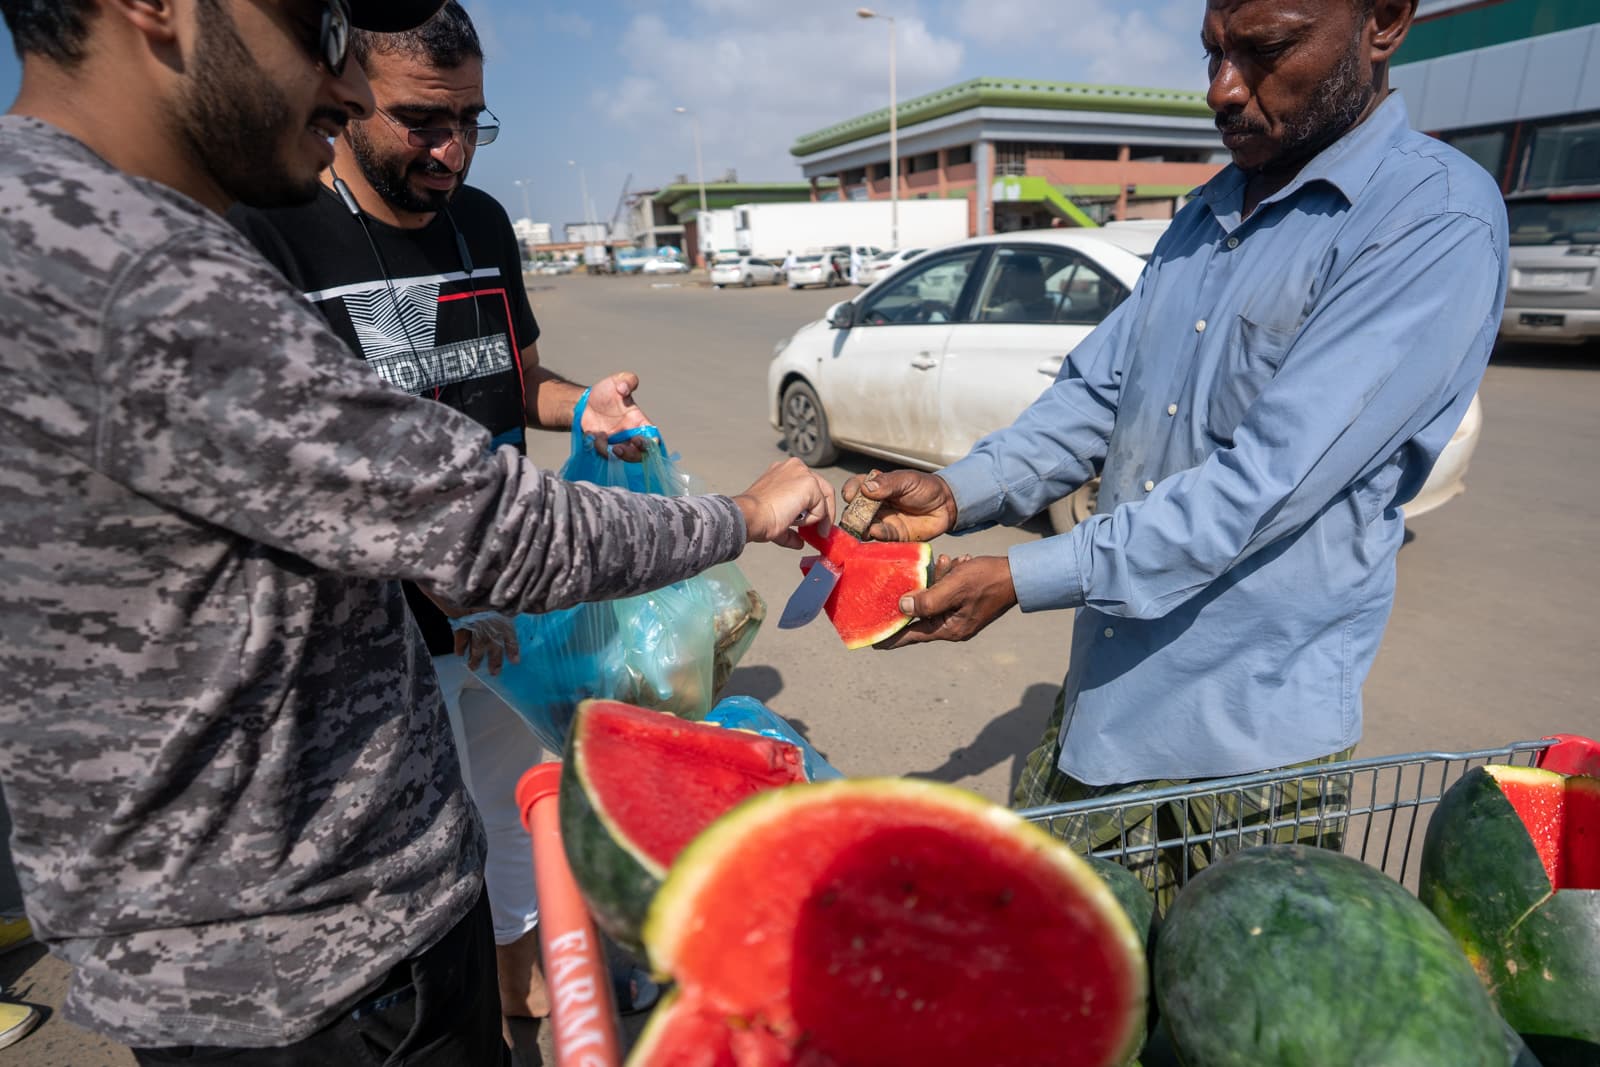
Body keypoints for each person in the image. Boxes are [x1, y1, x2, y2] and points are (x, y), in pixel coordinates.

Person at [0, 1, 835, 1063]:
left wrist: (580, 410)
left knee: (513, 815)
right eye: (313, 24)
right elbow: (493, 530)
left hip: (229, 919)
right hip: (313, 954)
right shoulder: (146, 267)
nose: (339, 86)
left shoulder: (54, 216)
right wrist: (745, 515)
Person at [846, 0, 1507, 906]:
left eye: (1266, 51)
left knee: (1221, 1030)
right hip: (1103, 704)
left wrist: (1020, 577)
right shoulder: (1205, 213)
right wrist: (958, 493)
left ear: (1384, 21)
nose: (1222, 91)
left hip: (1246, 762)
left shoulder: (1432, 221)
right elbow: (1098, 394)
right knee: (1059, 1000)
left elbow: (1261, 485)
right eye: (1213, 54)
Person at [229, 2, 653, 1023]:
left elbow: (517, 381)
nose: (452, 147)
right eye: (423, 119)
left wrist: (581, 402)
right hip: (372, 641)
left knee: (521, 806)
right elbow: (284, 476)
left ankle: (525, 978)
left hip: (509, 619)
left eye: (471, 118)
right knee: (421, 851)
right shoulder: (277, 234)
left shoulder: (485, 225)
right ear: (347, 99)